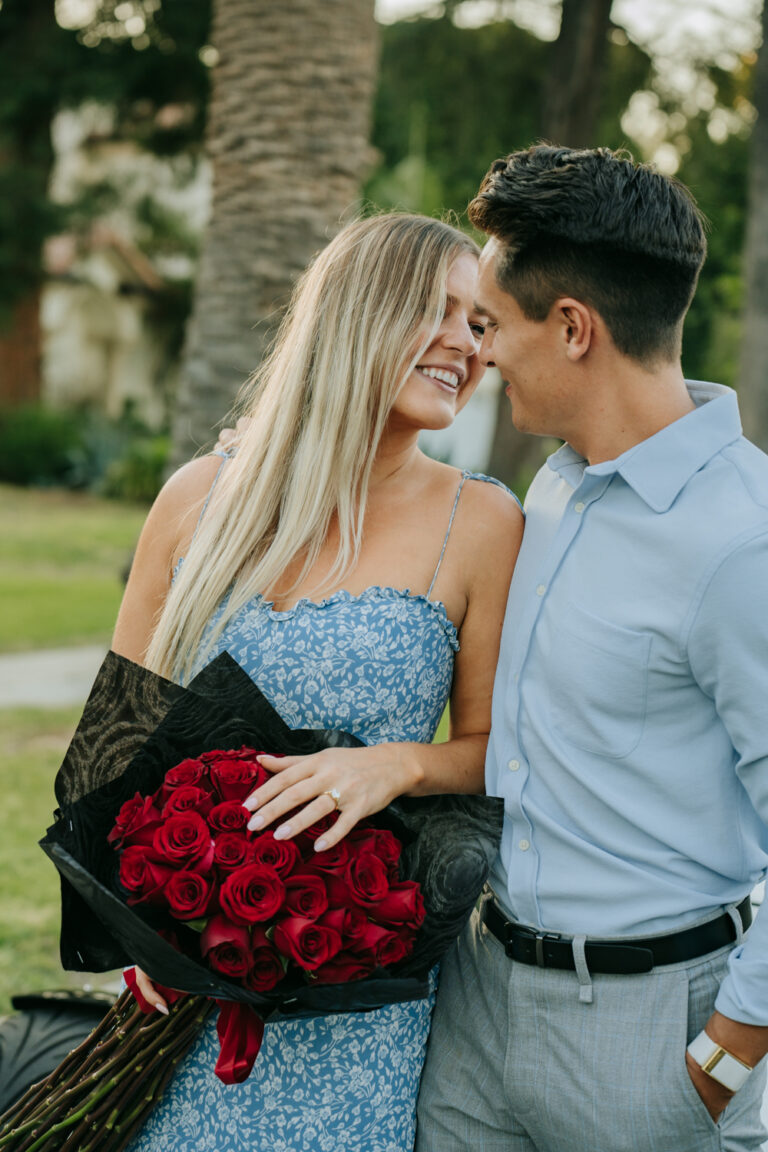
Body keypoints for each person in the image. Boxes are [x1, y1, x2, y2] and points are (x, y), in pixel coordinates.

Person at [110, 211, 524, 1152]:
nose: (468, 345)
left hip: (356, 1007)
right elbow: (121, 738)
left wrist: (398, 767)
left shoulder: (485, 523)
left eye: (480, 325)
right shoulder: (199, 500)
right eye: (442, 313)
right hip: (177, 979)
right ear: (358, 318)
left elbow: (501, 751)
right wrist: (131, 931)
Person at [416, 144, 768, 1152]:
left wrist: (724, 1061)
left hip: (649, 1038)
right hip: (477, 1013)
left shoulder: (745, 542)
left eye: (490, 326)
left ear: (573, 328)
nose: (478, 355)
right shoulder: (557, 483)